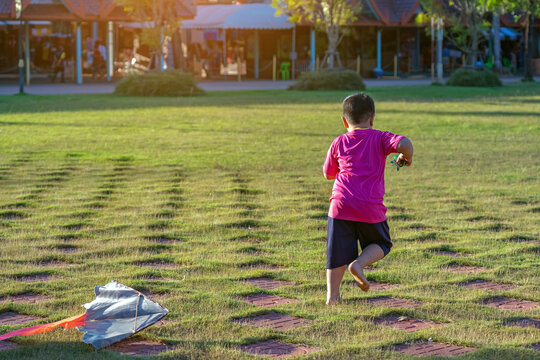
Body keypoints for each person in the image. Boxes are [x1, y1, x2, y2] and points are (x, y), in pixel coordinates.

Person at [323, 93, 414, 305]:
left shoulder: (338, 141)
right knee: (381, 243)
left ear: (344, 121)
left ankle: (332, 297)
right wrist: (405, 158)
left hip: (341, 204)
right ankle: (358, 264)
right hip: (369, 206)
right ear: (372, 118)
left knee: (336, 251)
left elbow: (327, 173)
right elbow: (405, 143)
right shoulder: (380, 137)